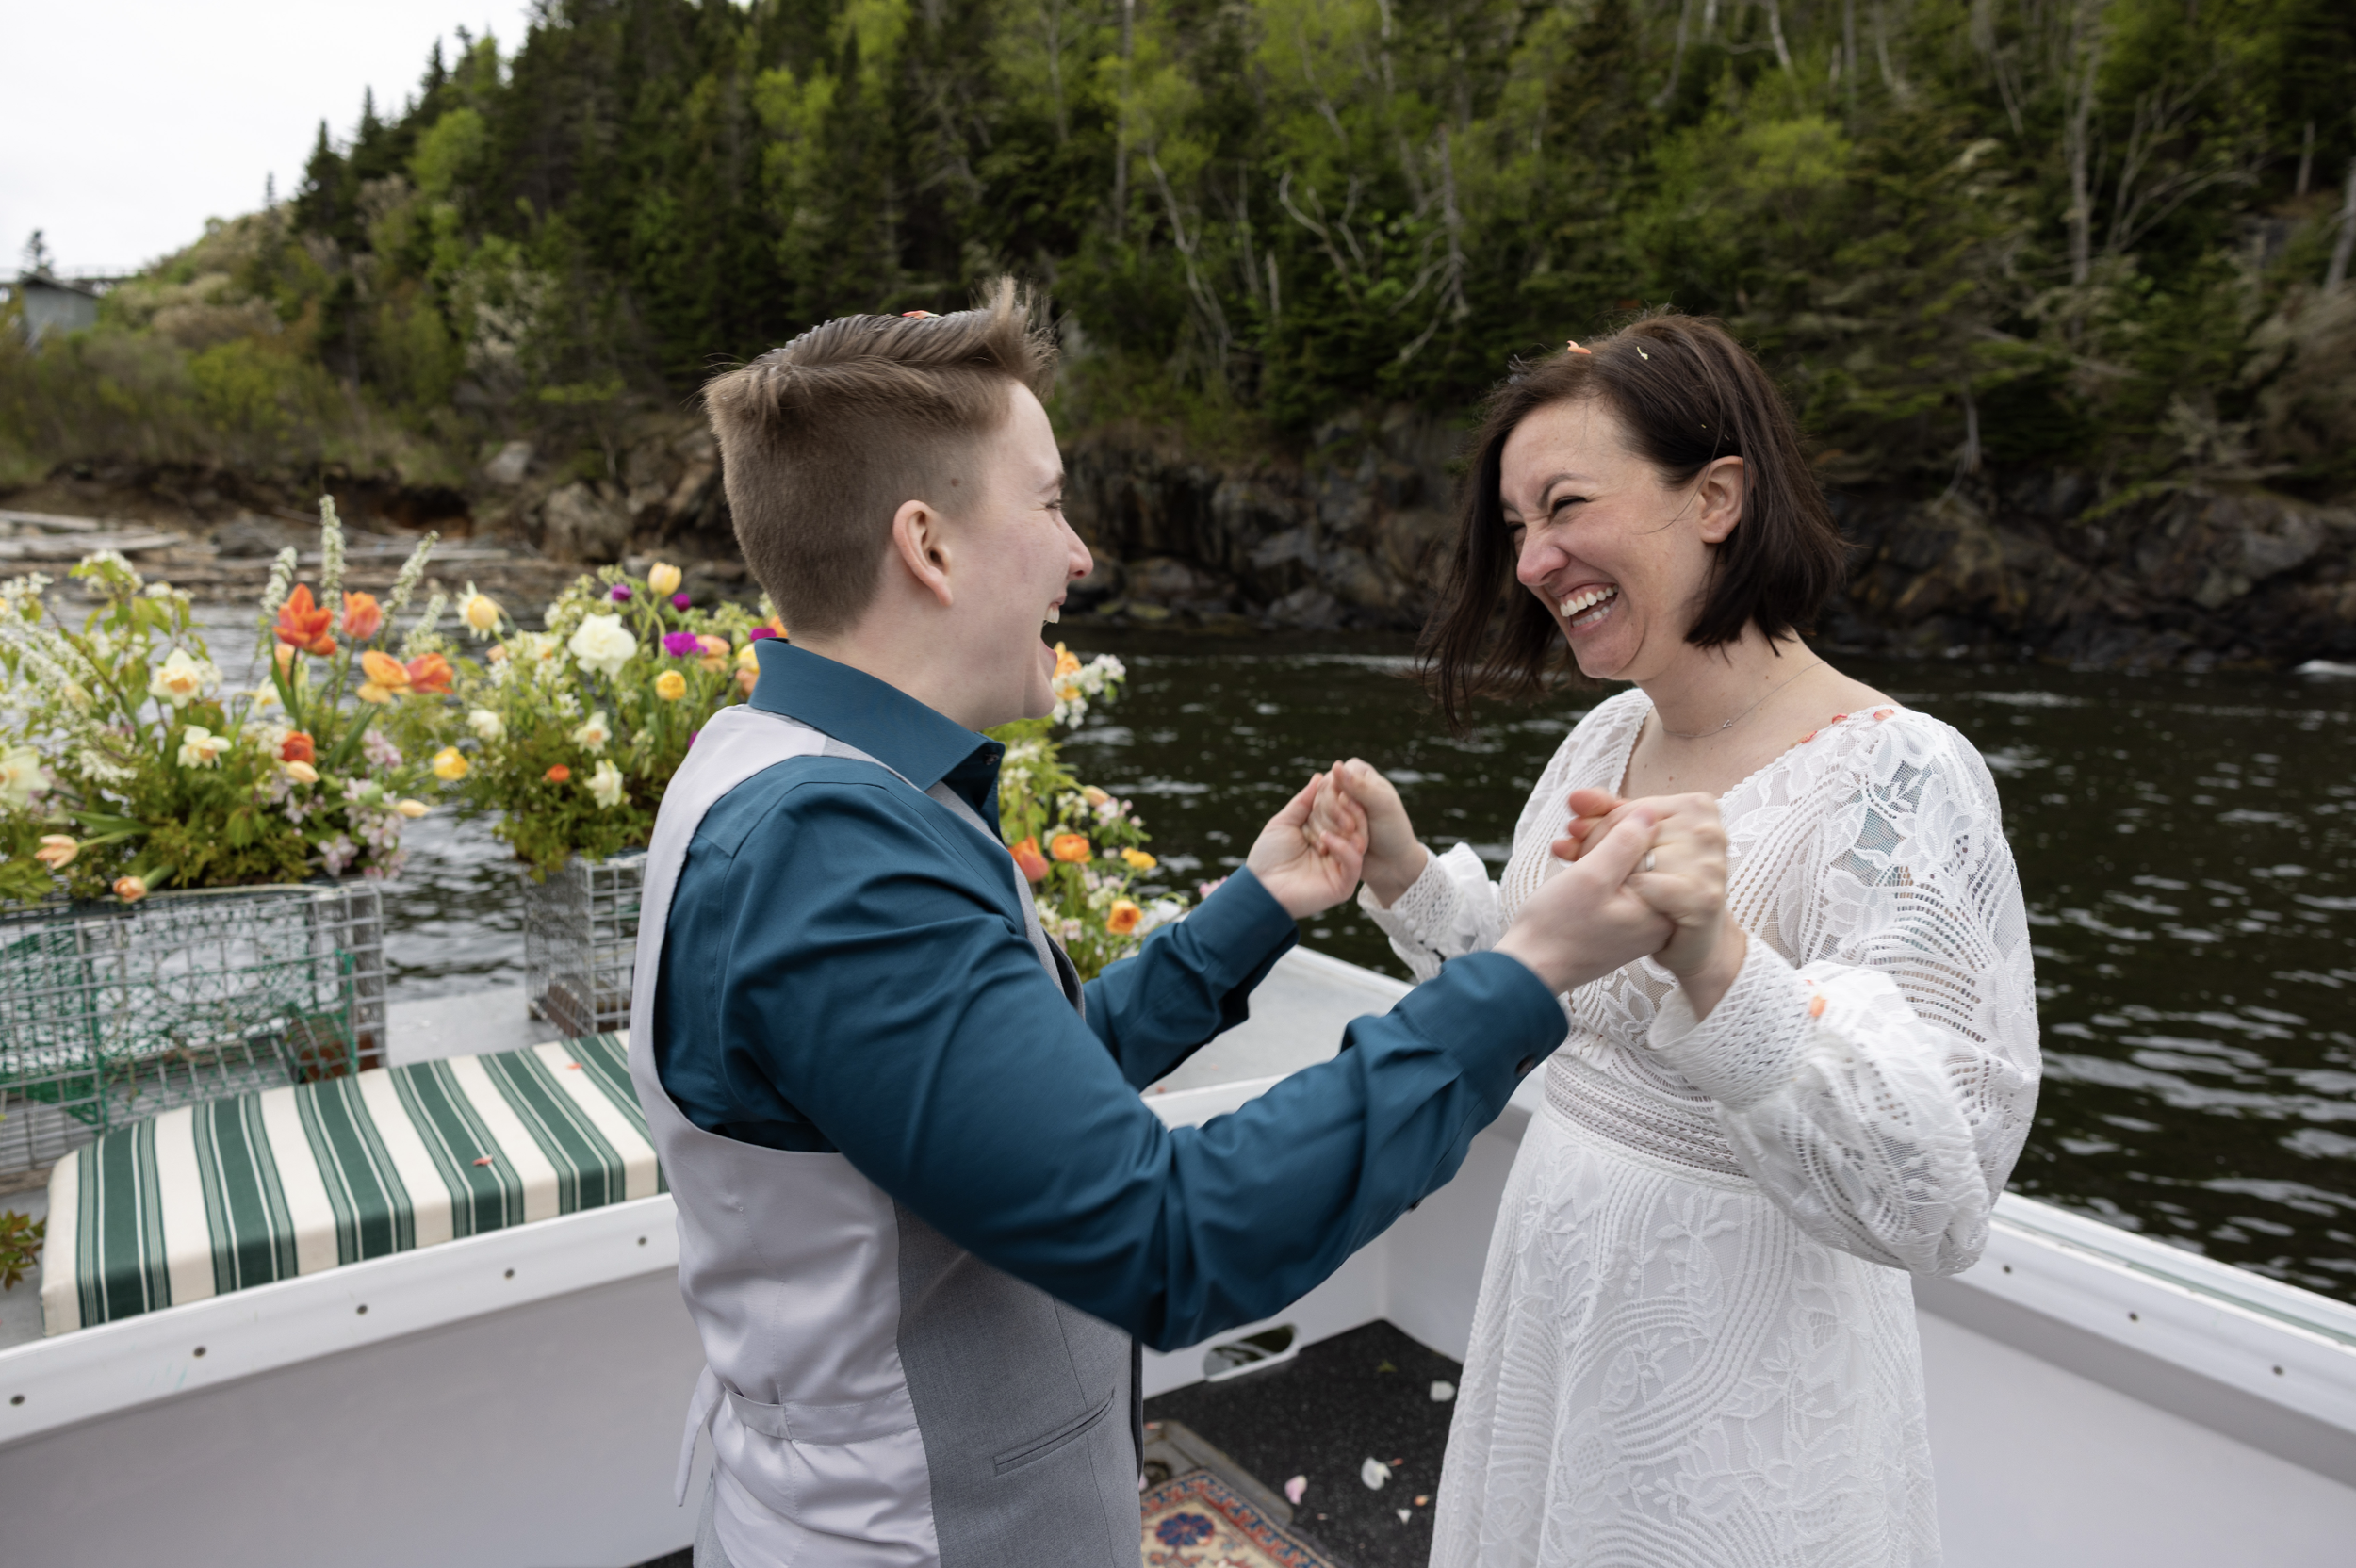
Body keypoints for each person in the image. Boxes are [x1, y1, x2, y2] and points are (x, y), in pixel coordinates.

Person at [627, 282, 1704, 1568]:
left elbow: (1021, 1093)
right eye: (1048, 502)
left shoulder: (788, 770)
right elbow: (1171, 1238)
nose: (1081, 553)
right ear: (929, 545)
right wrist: (1529, 972)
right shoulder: (834, 858)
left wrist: (1257, 913)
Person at [1331, 315, 2041, 1566]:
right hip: (1559, 1295)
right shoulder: (1602, 742)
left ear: (1717, 496)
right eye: (1515, 528)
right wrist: (1407, 878)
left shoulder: (1901, 782)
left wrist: (1718, 959)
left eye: (1564, 507)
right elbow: (1550, 980)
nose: (1537, 560)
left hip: (1740, 1359)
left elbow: (1938, 1185)